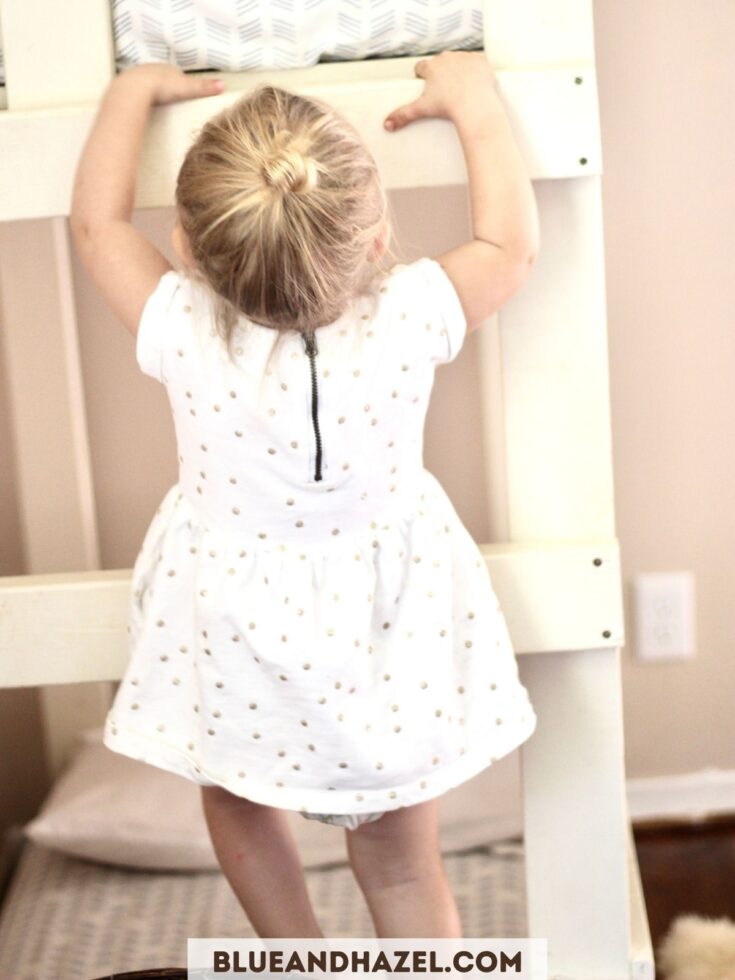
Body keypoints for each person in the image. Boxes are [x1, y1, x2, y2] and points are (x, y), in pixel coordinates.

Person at [70, 50, 540, 940]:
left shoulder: (184, 326)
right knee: (401, 861)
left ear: (185, 243)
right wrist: (474, 101)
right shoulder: (405, 314)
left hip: (236, 617)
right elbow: (510, 247)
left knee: (243, 806)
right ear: (371, 240)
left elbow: (95, 228)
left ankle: (296, 957)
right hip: (380, 621)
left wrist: (131, 91)